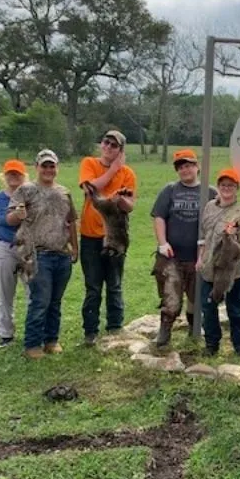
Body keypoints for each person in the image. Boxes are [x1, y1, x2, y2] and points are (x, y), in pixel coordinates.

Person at [6, 149, 78, 359]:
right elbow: (10, 218)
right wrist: (17, 214)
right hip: (37, 254)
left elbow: (71, 221)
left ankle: (51, 340)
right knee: (40, 300)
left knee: (55, 301)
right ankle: (32, 344)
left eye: (51, 166)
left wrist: (75, 247)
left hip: (61, 254)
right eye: (44, 166)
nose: (48, 169)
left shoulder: (64, 192)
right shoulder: (26, 190)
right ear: (36, 167)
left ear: (57, 168)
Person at [151, 149, 216, 348]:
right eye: (181, 167)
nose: (185, 170)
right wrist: (163, 243)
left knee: (197, 297)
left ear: (197, 167)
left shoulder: (210, 192)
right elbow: (159, 217)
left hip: (199, 256)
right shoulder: (170, 190)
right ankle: (165, 331)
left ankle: (194, 327)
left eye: (188, 165)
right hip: (172, 256)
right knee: (171, 296)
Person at [78, 130, 136, 346]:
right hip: (91, 235)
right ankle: (90, 331)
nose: (109, 147)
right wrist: (113, 170)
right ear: (101, 144)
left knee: (115, 284)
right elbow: (91, 189)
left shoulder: (128, 173)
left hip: (116, 236)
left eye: (114, 145)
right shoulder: (89, 163)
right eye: (106, 142)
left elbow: (131, 206)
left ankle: (114, 328)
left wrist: (120, 200)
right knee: (93, 286)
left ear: (120, 150)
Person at [196, 167, 240, 357]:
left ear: (237, 188)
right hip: (209, 266)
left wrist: (231, 233)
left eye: (231, 185)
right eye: (223, 185)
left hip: (232, 269)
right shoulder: (209, 207)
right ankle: (212, 344)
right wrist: (199, 257)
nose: (227, 188)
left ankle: (239, 346)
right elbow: (203, 234)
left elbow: (234, 232)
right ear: (218, 187)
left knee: (234, 308)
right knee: (208, 307)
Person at [0, 159, 29, 347]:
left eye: (17, 173)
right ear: (4, 176)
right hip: (4, 247)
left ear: (24, 176)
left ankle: (34, 331)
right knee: (4, 292)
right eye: (10, 173)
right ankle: (5, 334)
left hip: (27, 248)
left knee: (33, 291)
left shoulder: (30, 197)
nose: (13, 176)